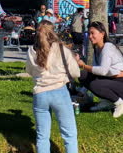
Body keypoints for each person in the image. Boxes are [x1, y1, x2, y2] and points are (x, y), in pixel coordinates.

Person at [26, 20, 79, 153]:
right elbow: (75, 72)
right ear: (53, 32)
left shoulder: (32, 51)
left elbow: (29, 71)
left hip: (40, 93)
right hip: (59, 92)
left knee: (42, 136)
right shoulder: (62, 49)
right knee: (69, 134)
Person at [75, 21, 123, 118]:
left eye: (92, 33)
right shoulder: (97, 49)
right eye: (89, 33)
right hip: (112, 81)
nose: (90, 36)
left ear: (102, 34)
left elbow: (103, 71)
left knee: (94, 84)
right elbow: (94, 72)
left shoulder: (108, 48)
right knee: (83, 75)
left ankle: (121, 103)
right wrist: (82, 92)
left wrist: (84, 66)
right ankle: (108, 101)